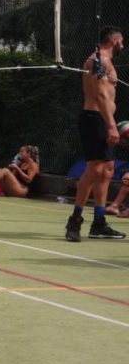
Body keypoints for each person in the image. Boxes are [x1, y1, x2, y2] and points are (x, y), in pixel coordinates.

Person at [65, 27, 127, 242]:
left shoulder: (106, 62)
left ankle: (99, 223)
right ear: (114, 40)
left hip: (103, 120)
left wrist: (110, 122)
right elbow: (100, 96)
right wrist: (111, 125)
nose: (123, 45)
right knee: (94, 170)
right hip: (94, 119)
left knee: (108, 170)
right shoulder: (97, 60)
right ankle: (75, 220)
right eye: (122, 41)